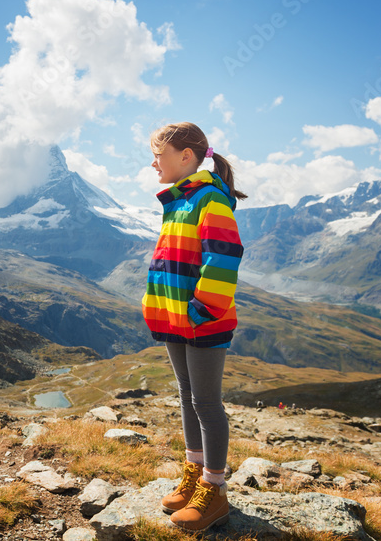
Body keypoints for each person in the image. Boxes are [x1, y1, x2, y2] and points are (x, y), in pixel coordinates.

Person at [142, 122, 246, 532]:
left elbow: (224, 256)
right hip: (175, 319)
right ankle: (194, 475)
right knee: (188, 395)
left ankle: (215, 491)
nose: (154, 163)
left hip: (202, 321)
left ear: (186, 156)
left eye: (159, 154)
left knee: (206, 403)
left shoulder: (209, 200)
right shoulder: (178, 201)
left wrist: (202, 311)